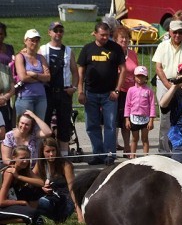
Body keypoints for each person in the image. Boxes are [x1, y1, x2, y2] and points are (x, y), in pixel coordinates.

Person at [77, 22, 126, 165]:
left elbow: (123, 69)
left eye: (107, 35)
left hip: (109, 94)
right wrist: (80, 91)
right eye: (102, 35)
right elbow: (81, 72)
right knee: (92, 125)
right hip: (90, 93)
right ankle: (98, 154)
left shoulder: (115, 48)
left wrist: (117, 89)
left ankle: (109, 154)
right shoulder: (87, 49)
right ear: (95, 34)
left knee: (110, 125)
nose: (105, 37)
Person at [152, 20, 182, 155]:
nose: (177, 35)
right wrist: (168, 84)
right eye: (175, 32)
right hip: (165, 83)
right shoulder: (162, 46)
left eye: (180, 32)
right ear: (170, 32)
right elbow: (158, 68)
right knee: (165, 119)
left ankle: (179, 148)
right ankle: (164, 150)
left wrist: (180, 85)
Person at [39, 21, 79, 157]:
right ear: (49, 32)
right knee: (44, 125)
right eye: (55, 30)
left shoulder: (68, 51)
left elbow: (75, 71)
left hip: (64, 93)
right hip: (48, 92)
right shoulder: (43, 49)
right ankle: (44, 155)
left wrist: (73, 87)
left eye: (60, 30)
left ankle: (64, 157)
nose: (58, 33)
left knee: (64, 126)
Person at [33, 136, 79, 223]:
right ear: (42, 153)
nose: (51, 154)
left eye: (53, 150)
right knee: (30, 198)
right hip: (50, 199)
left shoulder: (65, 165)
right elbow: (31, 178)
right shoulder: (40, 164)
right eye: (47, 151)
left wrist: (78, 210)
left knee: (39, 202)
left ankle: (57, 217)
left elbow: (72, 188)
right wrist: (42, 186)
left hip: (65, 201)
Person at [0, 145, 43, 225]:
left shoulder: (25, 170)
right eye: (22, 158)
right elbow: (1, 202)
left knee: (34, 188)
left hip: (9, 202)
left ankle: (30, 215)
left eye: (27, 158)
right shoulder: (9, 172)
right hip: (2, 204)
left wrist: (19, 177)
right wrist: (21, 202)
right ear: (14, 158)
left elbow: (41, 183)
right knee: (33, 215)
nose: (25, 161)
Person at [113, 26, 139, 156]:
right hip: (117, 91)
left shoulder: (133, 54)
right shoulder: (112, 53)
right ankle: (112, 145)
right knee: (113, 120)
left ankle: (127, 147)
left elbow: (137, 72)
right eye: (121, 38)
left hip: (131, 92)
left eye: (126, 37)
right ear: (116, 40)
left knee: (126, 121)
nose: (124, 40)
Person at [14, 29, 50, 120]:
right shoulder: (20, 57)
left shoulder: (41, 58)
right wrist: (41, 78)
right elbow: (23, 77)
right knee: (25, 128)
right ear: (25, 41)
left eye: (37, 40)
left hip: (41, 97)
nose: (35, 43)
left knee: (39, 126)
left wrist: (34, 75)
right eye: (32, 40)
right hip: (25, 97)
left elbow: (48, 77)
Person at [124, 66, 155, 159]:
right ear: (134, 77)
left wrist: (151, 120)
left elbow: (152, 105)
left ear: (146, 78)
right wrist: (127, 119)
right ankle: (133, 156)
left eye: (142, 76)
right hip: (134, 118)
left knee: (145, 139)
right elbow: (127, 105)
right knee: (134, 138)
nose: (140, 78)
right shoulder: (131, 90)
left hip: (145, 119)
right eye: (138, 76)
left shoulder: (149, 91)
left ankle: (146, 157)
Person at [0, 22, 16, 128]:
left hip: (7, 90)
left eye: (1, 34)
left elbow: (13, 65)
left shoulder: (9, 48)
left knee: (7, 124)